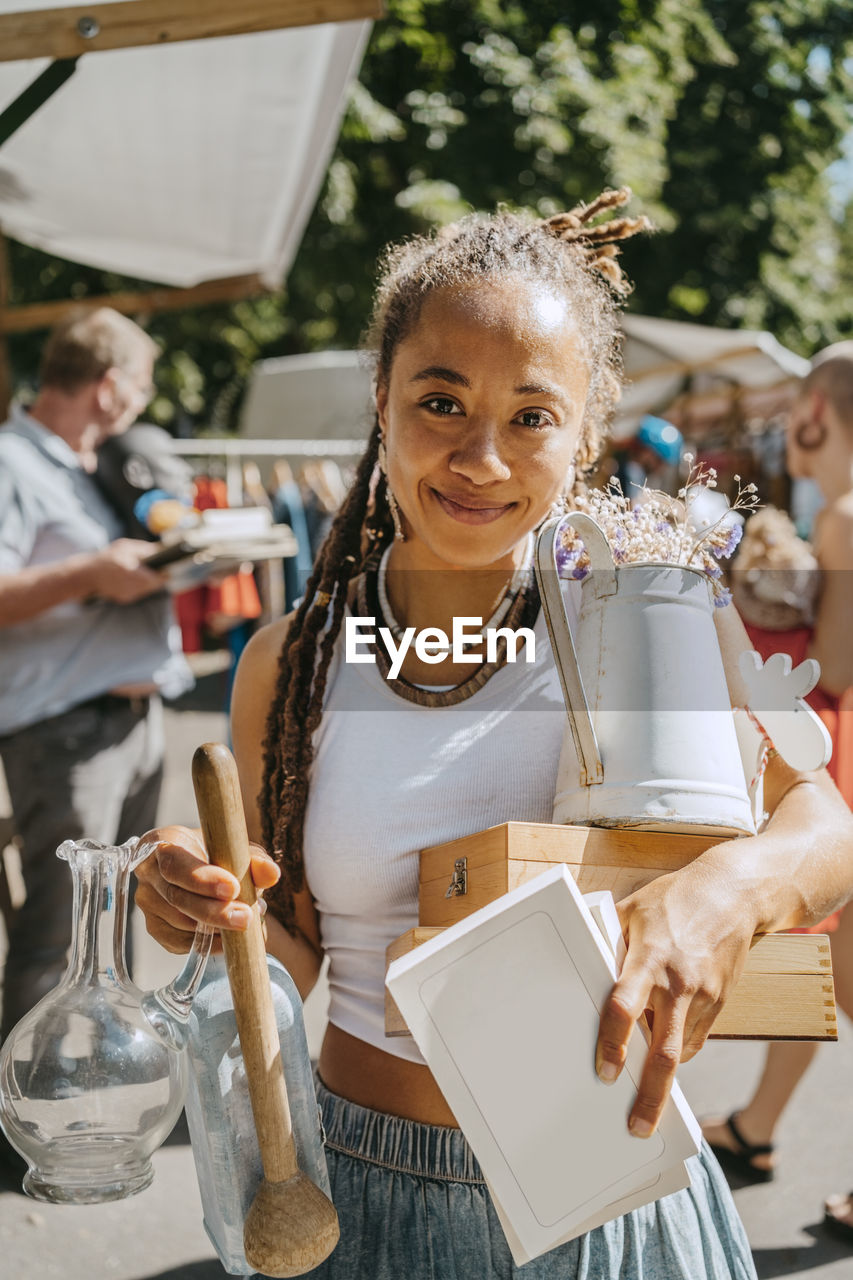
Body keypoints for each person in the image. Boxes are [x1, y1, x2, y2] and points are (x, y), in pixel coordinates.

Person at [136, 191, 853, 1280]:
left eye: (529, 415)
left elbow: (824, 821)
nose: (479, 456)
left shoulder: (641, 604)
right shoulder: (292, 661)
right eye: (439, 400)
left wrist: (732, 889)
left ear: (584, 430)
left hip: (605, 1205)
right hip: (354, 1193)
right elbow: (291, 947)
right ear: (381, 398)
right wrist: (207, 909)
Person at [0, 308, 193, 1071]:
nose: (140, 409)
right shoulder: (12, 462)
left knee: (110, 934)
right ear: (109, 388)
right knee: (59, 938)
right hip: (66, 732)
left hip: (131, 724)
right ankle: (21, 1127)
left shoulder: (86, 465)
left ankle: (89, 1087)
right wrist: (90, 572)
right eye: (141, 392)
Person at [702, 346, 853, 1238]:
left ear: (815, 411)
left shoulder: (840, 515)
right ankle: (757, 1128)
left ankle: (756, 1131)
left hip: (840, 748)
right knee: (831, 969)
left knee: (827, 959)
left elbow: (835, 665)